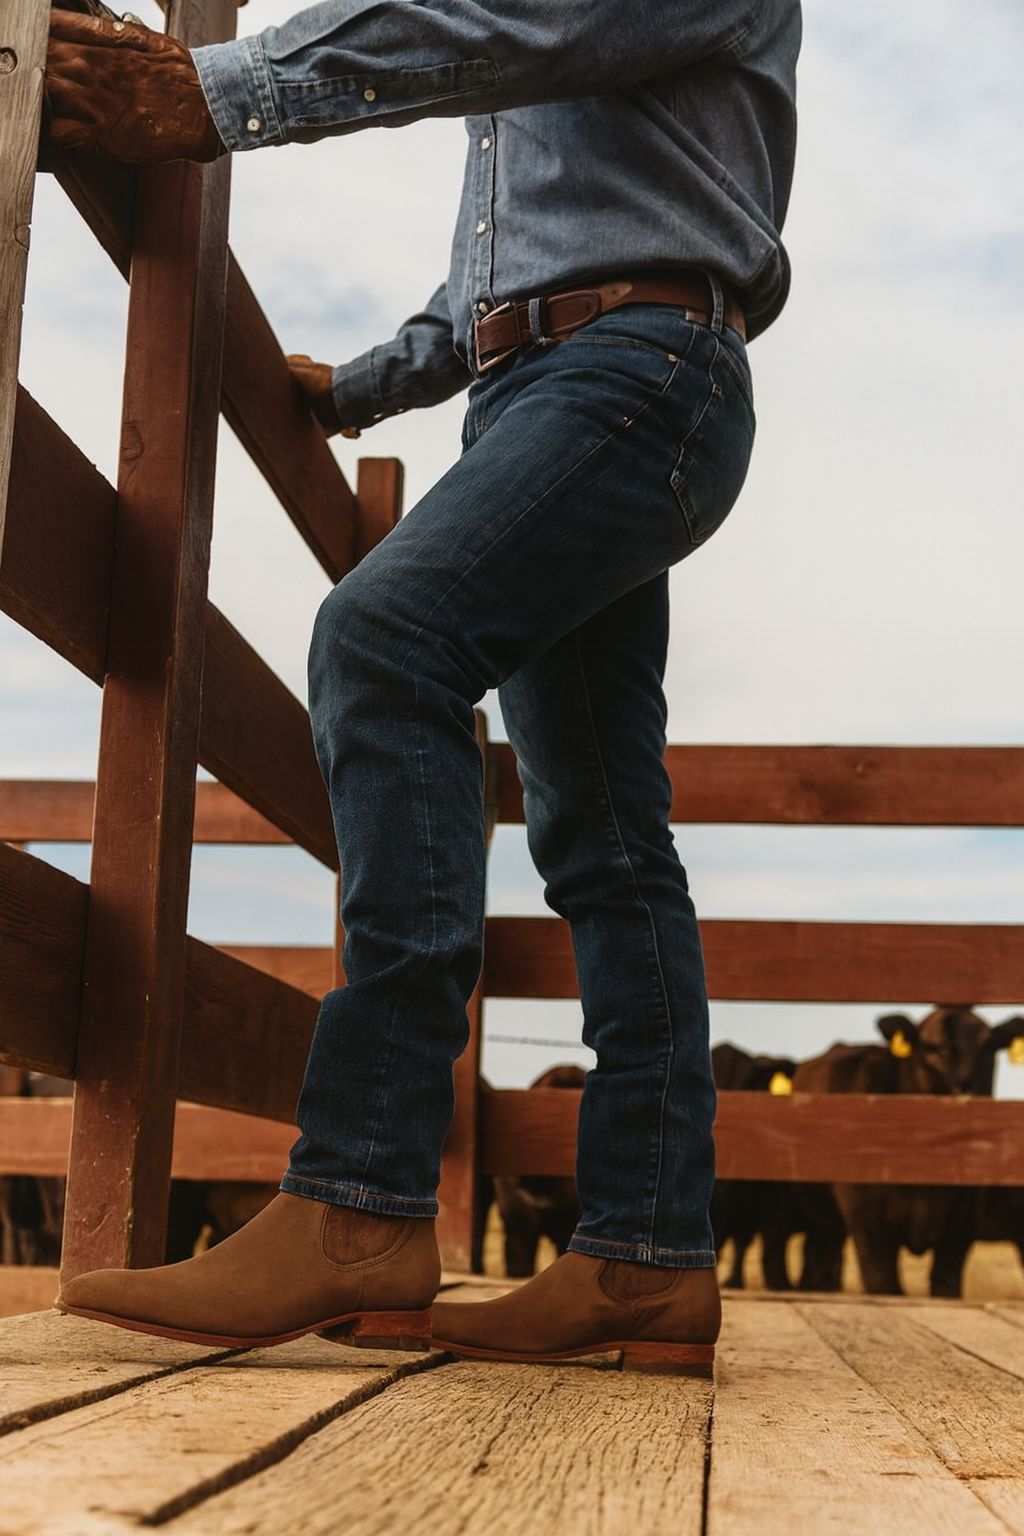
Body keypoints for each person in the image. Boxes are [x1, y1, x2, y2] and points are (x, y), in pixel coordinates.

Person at [45, 0, 800, 1374]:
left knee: (386, 643)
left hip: (636, 368)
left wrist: (217, 90)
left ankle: (362, 1191)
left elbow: (504, 25)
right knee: (608, 832)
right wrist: (366, 385)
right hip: (561, 378)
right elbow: (515, 269)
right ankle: (644, 1249)